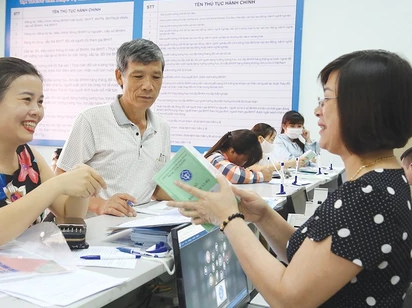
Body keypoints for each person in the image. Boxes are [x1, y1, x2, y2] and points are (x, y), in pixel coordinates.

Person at [168, 50, 412, 307]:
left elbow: (288, 298)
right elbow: (307, 262)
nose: (318, 111)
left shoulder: (367, 195)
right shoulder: (384, 182)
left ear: (362, 108)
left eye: (326, 99)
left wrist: (229, 219)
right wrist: (262, 216)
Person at [0, 57, 105, 252]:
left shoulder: (29, 157)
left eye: (40, 102)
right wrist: (57, 184)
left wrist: (81, 184)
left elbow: (68, 214)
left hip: (26, 274)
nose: (37, 111)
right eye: (26, 99)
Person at [56, 39, 171, 217]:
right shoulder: (91, 120)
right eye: (138, 76)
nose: (148, 86)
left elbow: (155, 188)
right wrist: (100, 205)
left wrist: (201, 197)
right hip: (94, 230)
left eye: (156, 77)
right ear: (119, 77)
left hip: (140, 227)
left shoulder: (162, 127)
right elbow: (59, 184)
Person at [204, 129, 272, 184]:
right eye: (245, 160)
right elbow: (235, 175)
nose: (244, 164)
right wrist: (262, 176)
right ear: (232, 151)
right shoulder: (216, 159)